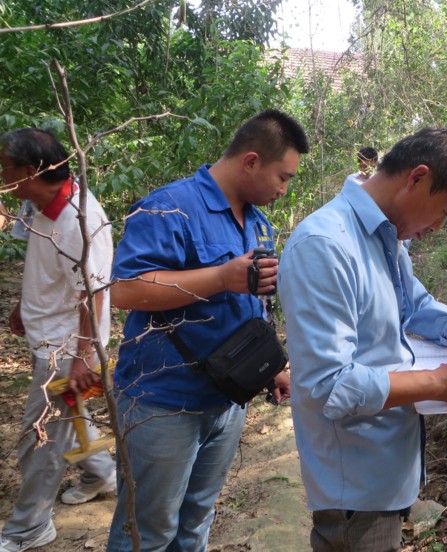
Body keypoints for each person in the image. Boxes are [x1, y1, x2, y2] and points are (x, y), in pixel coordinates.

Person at [278, 127, 447, 552]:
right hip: (355, 482)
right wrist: (437, 382)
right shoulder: (325, 245)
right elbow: (328, 385)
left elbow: (411, 304)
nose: (440, 226)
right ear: (417, 178)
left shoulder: (387, 236)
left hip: (385, 468)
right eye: (444, 211)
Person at [106, 109, 309, 552]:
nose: (284, 188)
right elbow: (125, 290)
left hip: (227, 399)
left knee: (197, 518)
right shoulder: (170, 207)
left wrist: (269, 366)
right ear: (251, 161)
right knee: (146, 529)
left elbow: (251, 305)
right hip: (163, 401)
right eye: (283, 176)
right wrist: (219, 277)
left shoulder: (257, 222)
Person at [0, 128, 116, 552]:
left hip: (68, 350)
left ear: (30, 171)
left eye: (6, 169)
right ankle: (102, 474)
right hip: (48, 338)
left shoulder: (81, 219)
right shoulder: (34, 206)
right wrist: (23, 308)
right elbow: (42, 264)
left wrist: (82, 358)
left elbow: (95, 294)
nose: (2, 176)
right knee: (73, 416)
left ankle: (29, 527)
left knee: (40, 437)